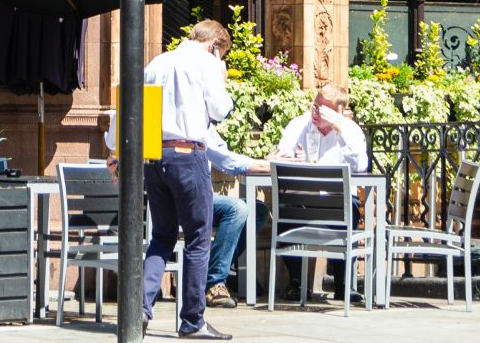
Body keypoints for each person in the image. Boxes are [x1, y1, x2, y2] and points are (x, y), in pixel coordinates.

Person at [141, 18, 235, 341]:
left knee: (162, 235)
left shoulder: (157, 62)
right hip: (187, 154)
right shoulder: (206, 63)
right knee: (198, 237)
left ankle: (140, 307)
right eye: (221, 55)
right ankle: (192, 321)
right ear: (214, 47)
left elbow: (140, 111)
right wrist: (220, 77)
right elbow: (221, 110)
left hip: (154, 158)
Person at [273, 82, 369, 303]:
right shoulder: (299, 125)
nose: (315, 112)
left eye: (323, 109)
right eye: (315, 106)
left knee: (349, 209)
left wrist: (341, 128)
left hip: (338, 205)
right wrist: (286, 159)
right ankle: (297, 284)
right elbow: (281, 156)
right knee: (286, 211)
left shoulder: (350, 130)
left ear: (339, 111)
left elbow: (361, 165)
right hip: (302, 202)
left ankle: (343, 285)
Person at [204, 123, 269, 308]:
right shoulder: (192, 122)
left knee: (258, 211)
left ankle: (207, 271)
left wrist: (265, 162)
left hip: (203, 197)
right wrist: (267, 165)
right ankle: (214, 282)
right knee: (237, 209)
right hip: (186, 199)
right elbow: (225, 160)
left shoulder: (205, 124)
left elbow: (223, 151)